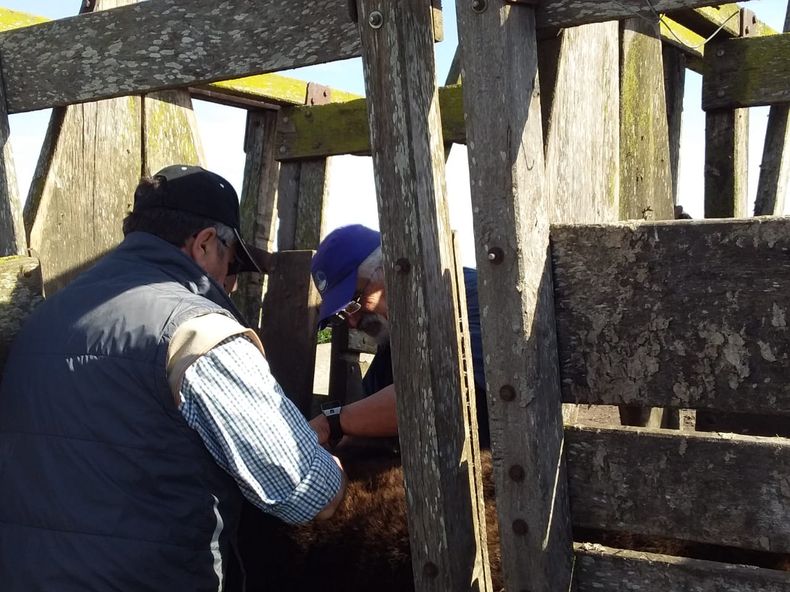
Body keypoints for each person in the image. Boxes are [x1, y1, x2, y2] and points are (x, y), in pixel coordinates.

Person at [0, 165, 346, 592]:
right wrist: (335, 471)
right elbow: (306, 493)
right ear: (203, 243)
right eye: (231, 259)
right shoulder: (196, 333)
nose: (231, 283)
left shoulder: (48, 315)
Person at [308, 224, 488, 447]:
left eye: (354, 302)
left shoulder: (471, 297)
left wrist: (332, 422)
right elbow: (363, 431)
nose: (352, 322)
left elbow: (445, 394)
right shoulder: (390, 354)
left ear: (390, 269)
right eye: (343, 314)